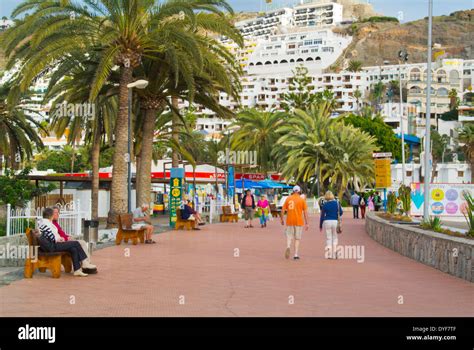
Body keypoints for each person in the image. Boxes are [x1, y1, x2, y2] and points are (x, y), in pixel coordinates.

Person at [38, 208, 95, 277]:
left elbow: (50, 235)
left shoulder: (45, 222)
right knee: (76, 243)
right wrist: (58, 239)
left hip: (52, 244)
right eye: (54, 214)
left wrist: (59, 238)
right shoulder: (45, 223)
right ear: (51, 215)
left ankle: (77, 270)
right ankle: (84, 262)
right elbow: (50, 236)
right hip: (52, 246)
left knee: (73, 248)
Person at [52, 206, 97, 273]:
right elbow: (56, 236)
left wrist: (68, 236)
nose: (58, 214)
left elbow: (61, 233)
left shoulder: (55, 223)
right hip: (62, 243)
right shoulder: (51, 224)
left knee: (81, 242)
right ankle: (86, 264)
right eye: (55, 212)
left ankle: (86, 263)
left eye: (58, 212)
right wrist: (66, 238)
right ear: (51, 214)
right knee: (82, 243)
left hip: (65, 240)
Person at [280, 185, 308, 260]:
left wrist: (282, 219)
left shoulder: (288, 198)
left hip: (290, 221)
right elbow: (305, 212)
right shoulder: (302, 200)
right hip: (299, 221)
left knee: (289, 236)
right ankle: (296, 254)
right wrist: (307, 223)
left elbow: (282, 210)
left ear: (293, 191)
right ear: (299, 191)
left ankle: (288, 246)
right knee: (297, 238)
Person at [320, 191, 344, 259]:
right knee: (335, 237)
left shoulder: (325, 204)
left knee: (328, 238)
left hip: (327, 221)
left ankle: (329, 254)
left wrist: (320, 225)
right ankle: (335, 251)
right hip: (335, 221)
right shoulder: (336, 203)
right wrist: (336, 214)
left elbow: (322, 216)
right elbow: (341, 212)